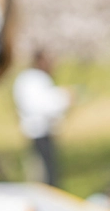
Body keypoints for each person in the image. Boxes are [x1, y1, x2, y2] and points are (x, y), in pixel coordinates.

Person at [13, 49, 71, 188]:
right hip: (38, 130)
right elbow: (42, 104)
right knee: (44, 171)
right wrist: (64, 98)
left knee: (46, 168)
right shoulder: (35, 79)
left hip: (40, 130)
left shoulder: (28, 78)